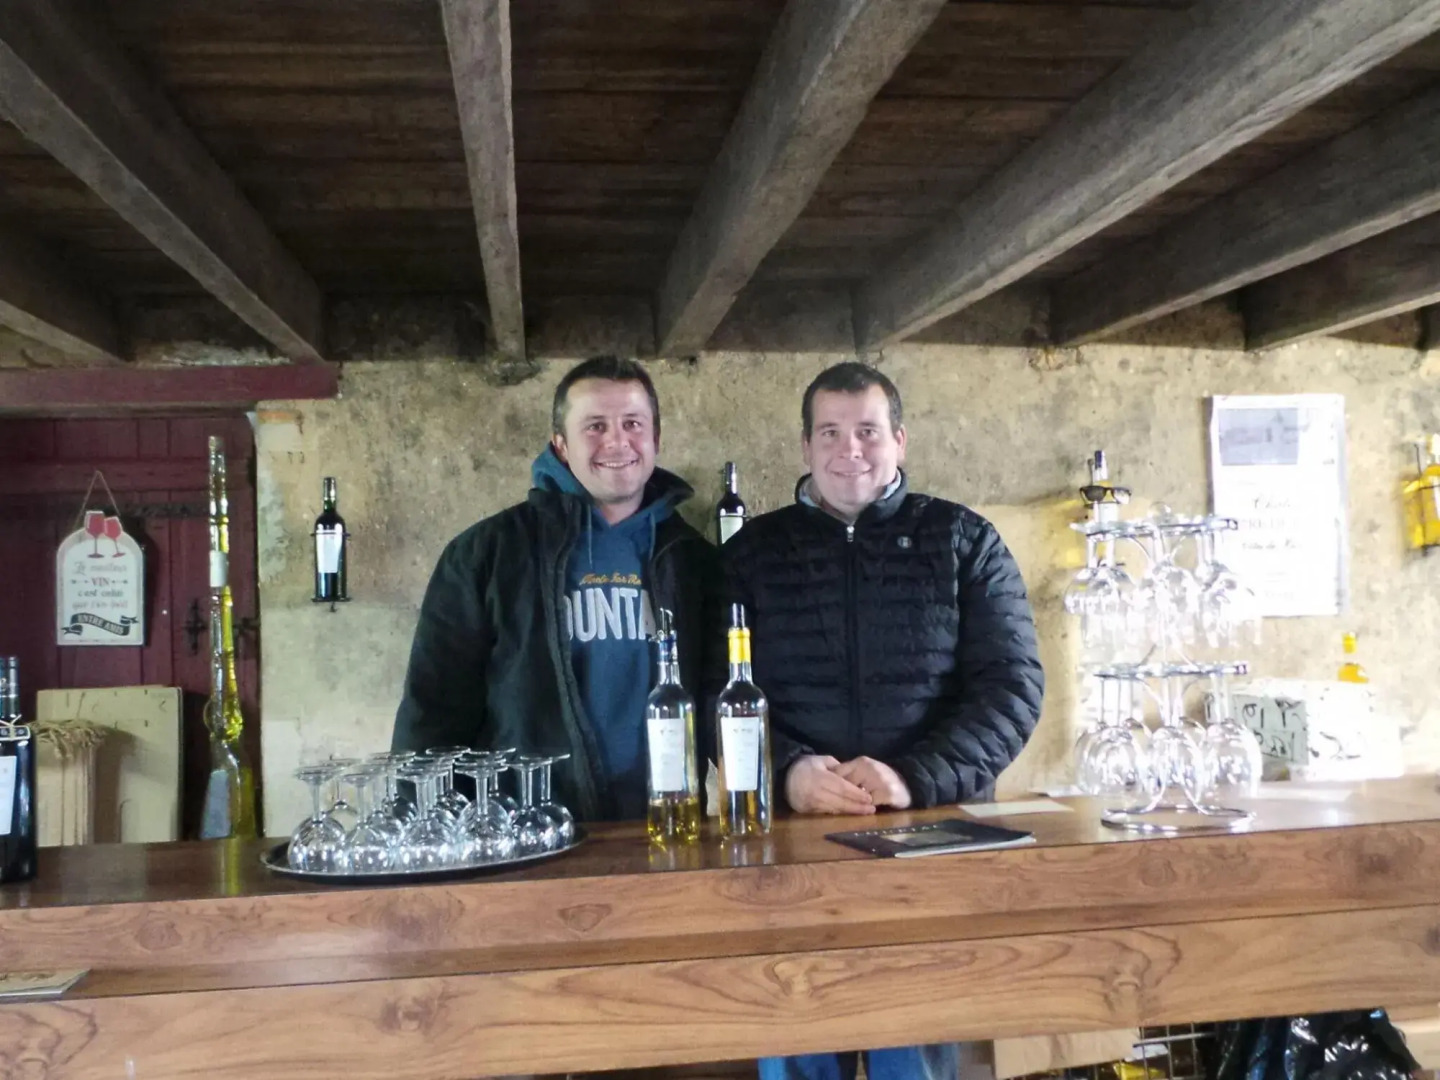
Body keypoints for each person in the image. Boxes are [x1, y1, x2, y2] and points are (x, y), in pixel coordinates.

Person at [722, 361, 1045, 1080]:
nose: (850, 450)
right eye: (830, 433)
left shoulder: (964, 541)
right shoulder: (747, 558)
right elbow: (720, 692)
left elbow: (1012, 688)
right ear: (804, 448)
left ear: (899, 440)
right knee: (801, 1039)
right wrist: (787, 772)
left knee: (918, 1051)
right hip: (795, 848)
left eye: (868, 431)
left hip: (932, 844)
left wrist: (912, 777)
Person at [393, 355, 723, 822]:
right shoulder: (485, 554)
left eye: (633, 423)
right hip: (526, 836)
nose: (616, 440)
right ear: (561, 445)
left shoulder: (694, 560)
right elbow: (433, 712)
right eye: (594, 426)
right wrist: (422, 832)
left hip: (665, 829)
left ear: (655, 439)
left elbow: (719, 697)